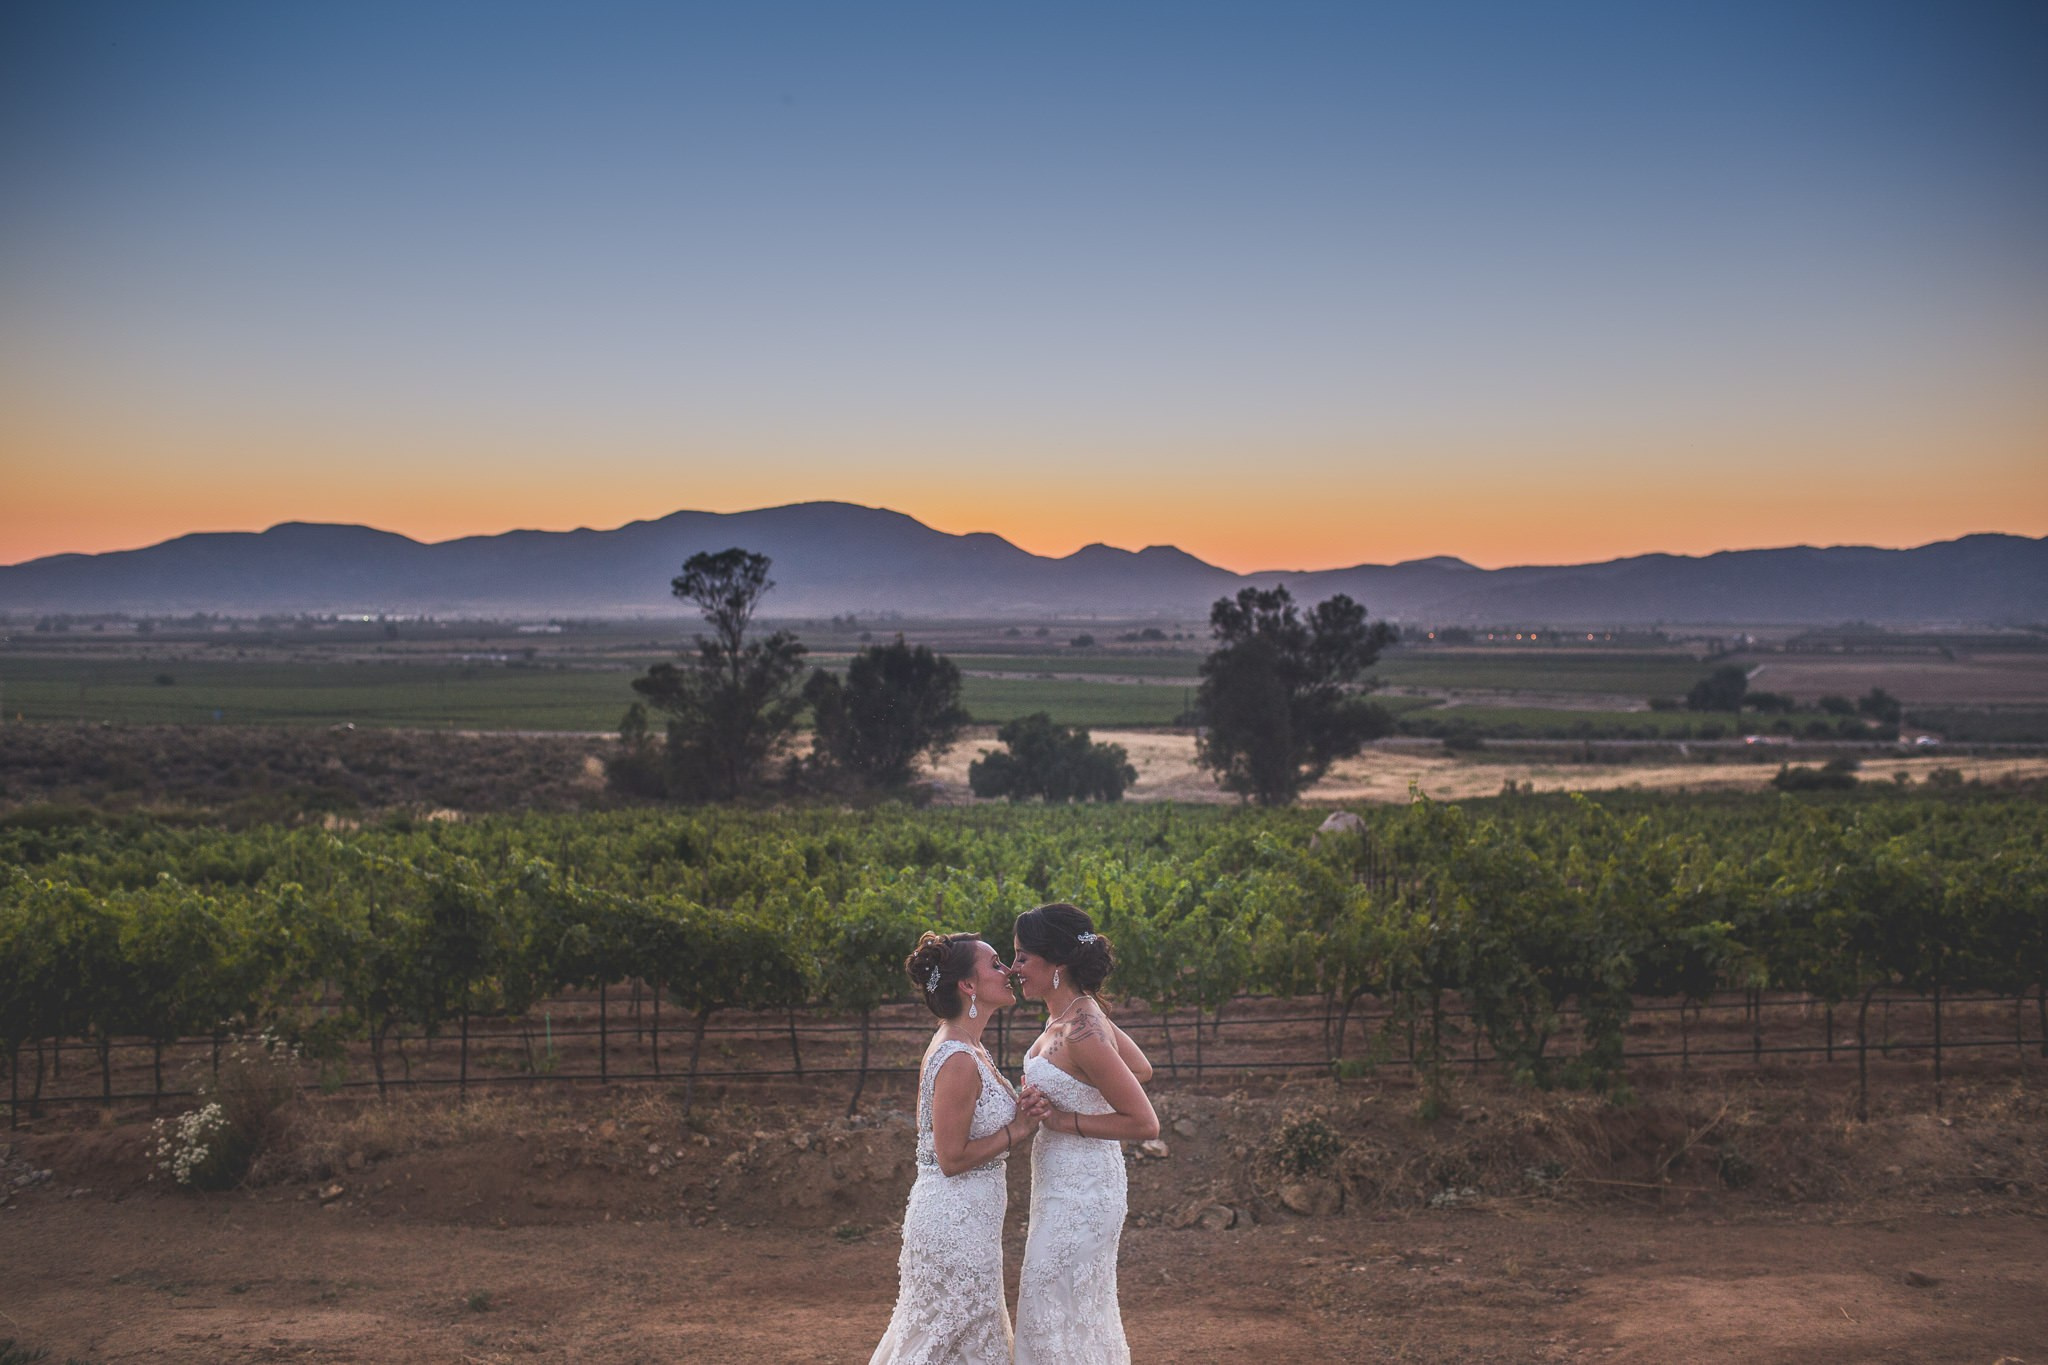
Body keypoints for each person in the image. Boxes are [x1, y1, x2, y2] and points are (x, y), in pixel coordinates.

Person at [870, 931, 1047, 1365]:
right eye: (995, 964)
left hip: (972, 1219)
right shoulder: (958, 1057)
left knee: (964, 1335)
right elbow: (951, 1158)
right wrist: (1019, 1129)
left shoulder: (970, 1046)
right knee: (943, 1335)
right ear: (967, 986)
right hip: (953, 1222)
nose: (1007, 972)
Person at [1010, 903, 1157, 1365]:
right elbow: (1141, 1067)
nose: (1014, 969)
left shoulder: (1081, 1029)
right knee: (1064, 1311)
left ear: (1057, 963)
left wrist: (1064, 1119)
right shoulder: (1079, 1016)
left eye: (1021, 958)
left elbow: (1144, 1122)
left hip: (1083, 1191)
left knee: (1050, 1307)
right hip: (1062, 1185)